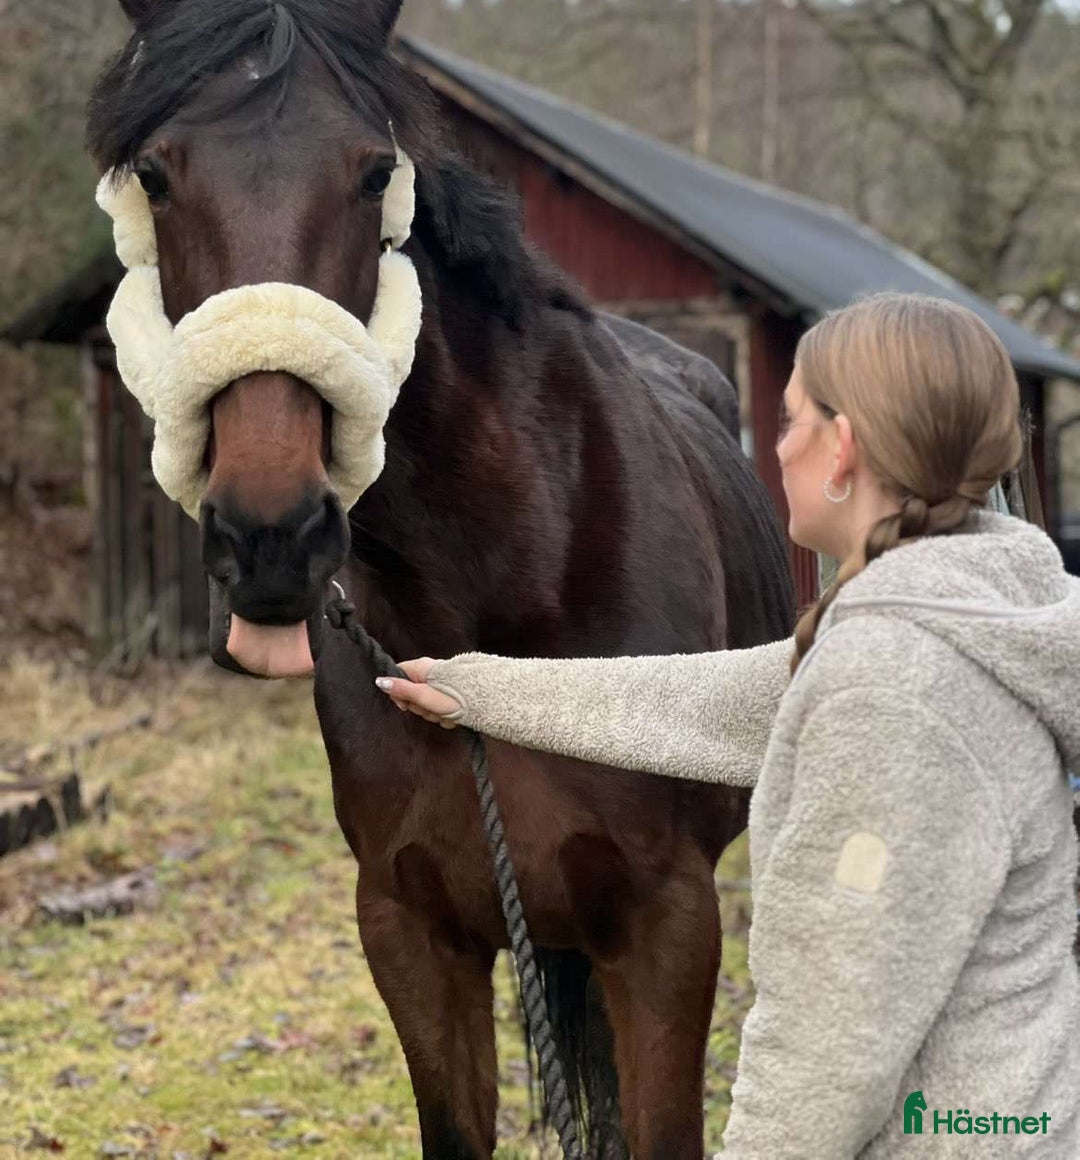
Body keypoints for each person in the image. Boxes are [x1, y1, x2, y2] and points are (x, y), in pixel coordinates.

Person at [375, 291, 1080, 1157]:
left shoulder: (890, 686)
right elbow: (723, 700)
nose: (773, 450)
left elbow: (832, 1043)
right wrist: (481, 693)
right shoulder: (959, 610)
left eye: (788, 422)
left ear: (844, 447)